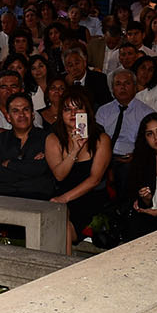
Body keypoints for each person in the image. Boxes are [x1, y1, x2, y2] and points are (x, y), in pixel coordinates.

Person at [45, 89, 112, 248]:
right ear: (61, 114)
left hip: (91, 199)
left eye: (78, 108)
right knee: (59, 221)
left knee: (62, 224)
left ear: (87, 112)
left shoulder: (101, 139)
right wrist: (74, 150)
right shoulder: (53, 139)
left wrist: (64, 199)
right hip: (63, 197)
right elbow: (59, 175)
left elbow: (94, 179)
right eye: (67, 109)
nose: (73, 113)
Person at [0, 92, 54, 200]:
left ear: (33, 115)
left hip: (38, 200)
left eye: (25, 109)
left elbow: (43, 169)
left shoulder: (47, 138)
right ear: (8, 117)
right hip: (4, 200)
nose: (21, 114)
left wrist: (10, 164)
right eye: (15, 111)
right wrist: (30, 167)